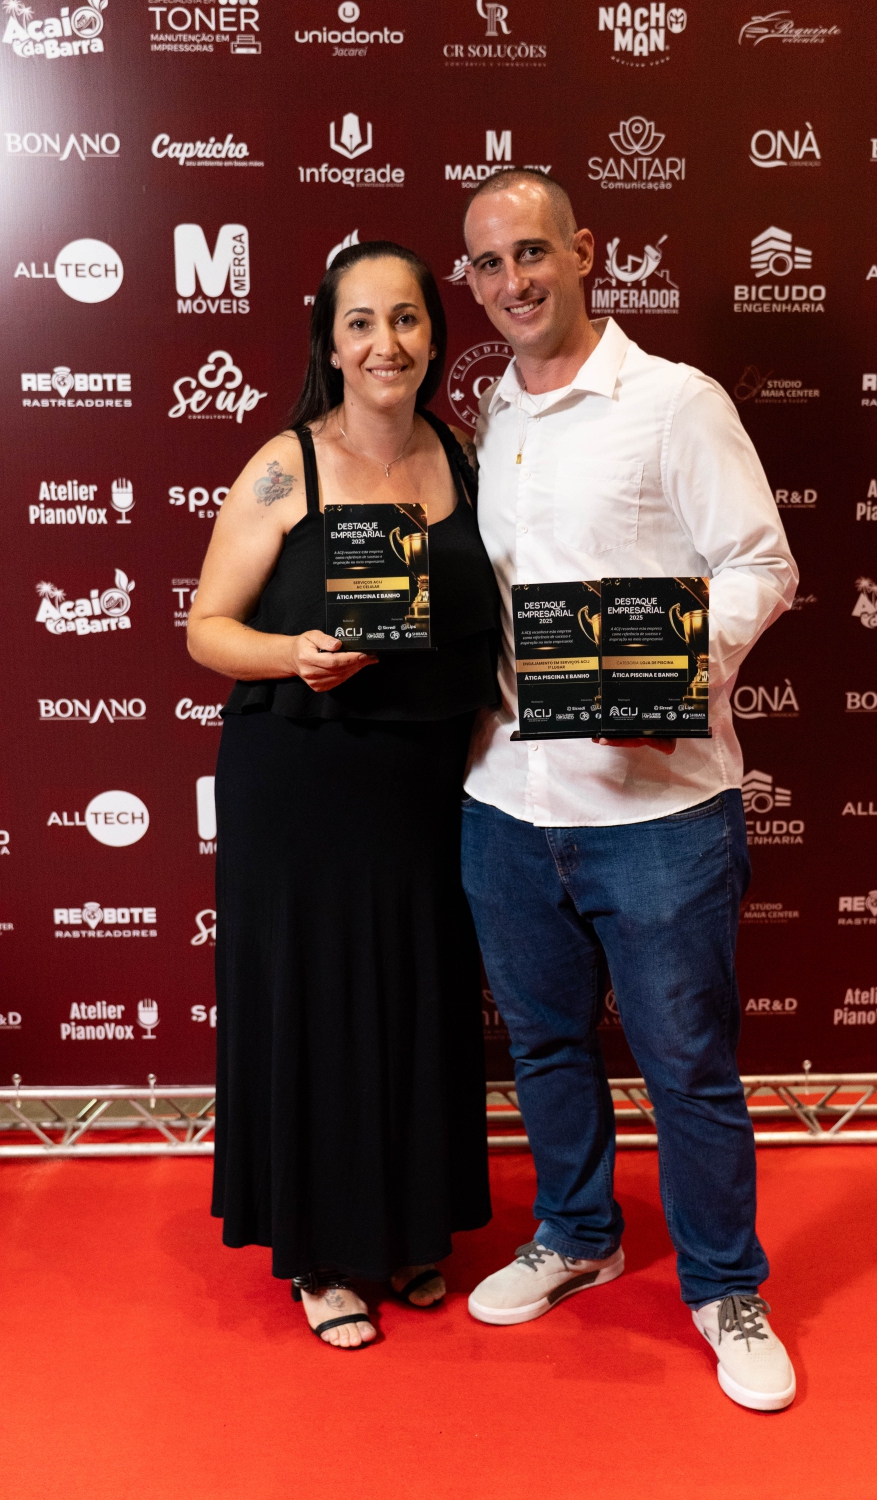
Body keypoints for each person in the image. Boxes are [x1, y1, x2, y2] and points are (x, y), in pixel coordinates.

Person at [457, 172, 800, 1412]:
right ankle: (577, 1232)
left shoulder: (673, 402)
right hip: (505, 801)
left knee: (686, 1065)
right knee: (546, 1045)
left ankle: (725, 1285)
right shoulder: (488, 415)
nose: (512, 281)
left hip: (658, 812)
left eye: (531, 252)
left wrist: (670, 672)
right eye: (487, 264)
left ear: (585, 251)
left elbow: (760, 562)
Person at [187, 241, 500, 1349]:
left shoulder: (462, 454)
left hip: (424, 785)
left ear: (435, 336)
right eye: (360, 322)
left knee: (413, 997)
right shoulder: (286, 468)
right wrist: (293, 654)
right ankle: (321, 1254)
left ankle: (408, 1231)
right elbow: (206, 629)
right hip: (302, 780)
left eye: (405, 318)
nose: (384, 343)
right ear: (329, 343)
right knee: (317, 1003)